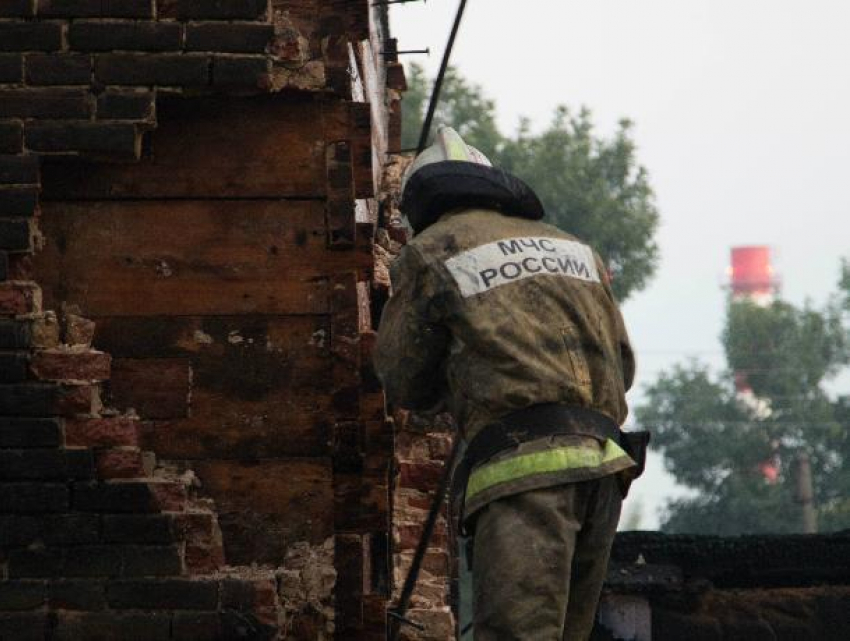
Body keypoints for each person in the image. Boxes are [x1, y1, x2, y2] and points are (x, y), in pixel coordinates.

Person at [375, 126, 643, 641]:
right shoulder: (573, 247)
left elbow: (402, 378)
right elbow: (623, 366)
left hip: (523, 475)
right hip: (605, 469)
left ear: (421, 202)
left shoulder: (431, 250)